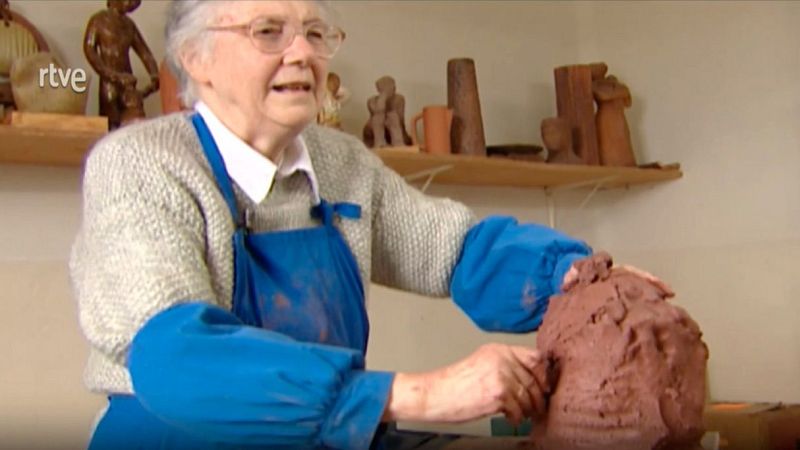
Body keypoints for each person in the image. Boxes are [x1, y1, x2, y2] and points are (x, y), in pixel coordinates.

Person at [70, 1, 662, 449]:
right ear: (196, 59)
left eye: (316, 32)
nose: (303, 53)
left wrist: (573, 275)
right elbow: (176, 356)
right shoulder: (141, 164)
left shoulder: (340, 162)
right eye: (269, 32)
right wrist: (421, 394)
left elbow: (456, 252)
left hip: (327, 430)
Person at [83, 0, 160, 129]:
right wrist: (112, 75)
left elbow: (144, 53)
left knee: (132, 119)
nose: (131, 4)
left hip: (127, 81)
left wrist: (154, 74)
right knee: (109, 120)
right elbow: (89, 50)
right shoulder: (99, 20)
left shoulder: (129, 25)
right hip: (109, 81)